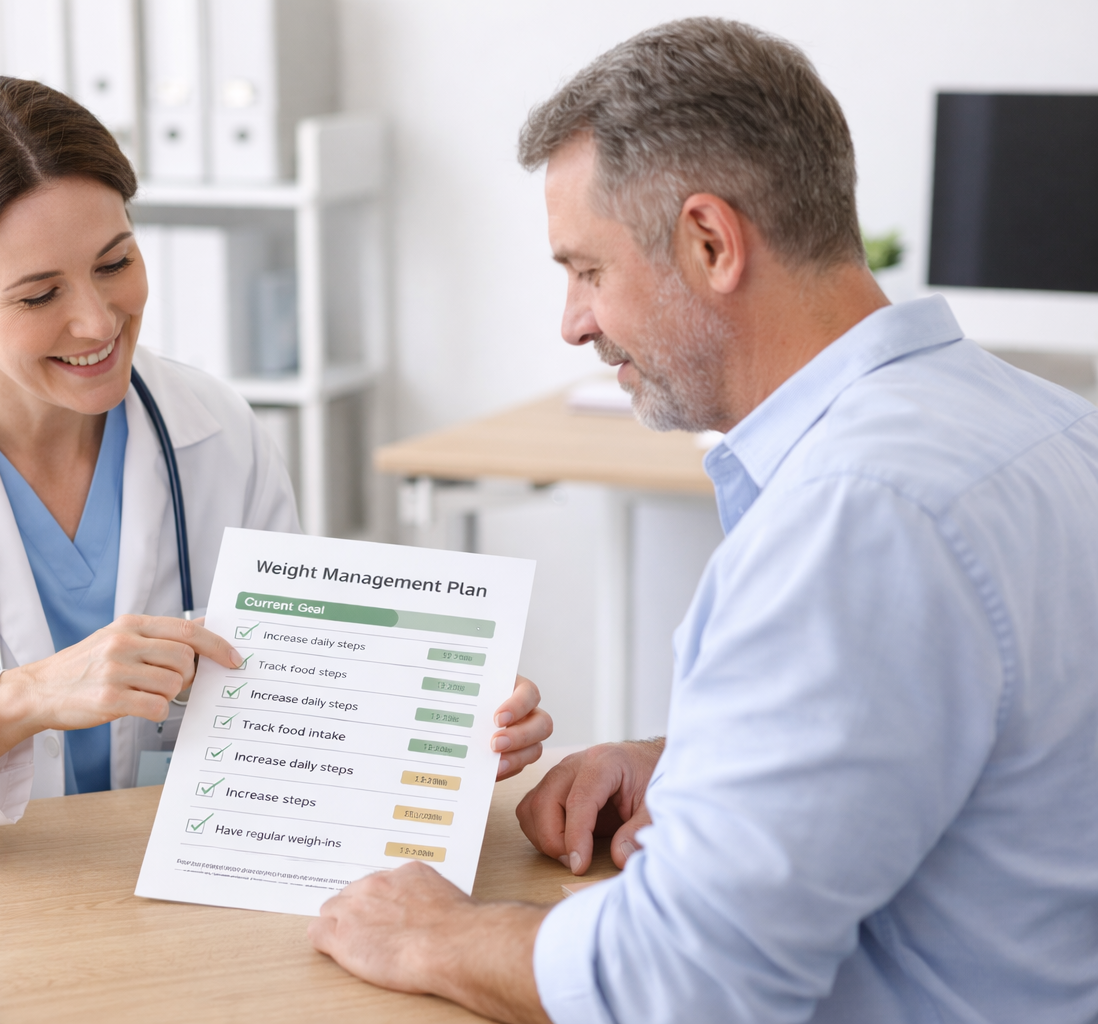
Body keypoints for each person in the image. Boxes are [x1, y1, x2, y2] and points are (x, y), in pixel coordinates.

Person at [309, 18, 1098, 1024]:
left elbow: (683, 985)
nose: (573, 322)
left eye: (586, 269)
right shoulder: (1051, 427)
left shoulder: (854, 518)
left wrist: (435, 931)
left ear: (712, 242)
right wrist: (711, 762)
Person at [0, 76, 556, 851]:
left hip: (173, 895)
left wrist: (434, 720)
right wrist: (21, 699)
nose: (99, 323)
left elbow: (290, 700)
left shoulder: (213, 430)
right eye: (40, 295)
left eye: (117, 264)